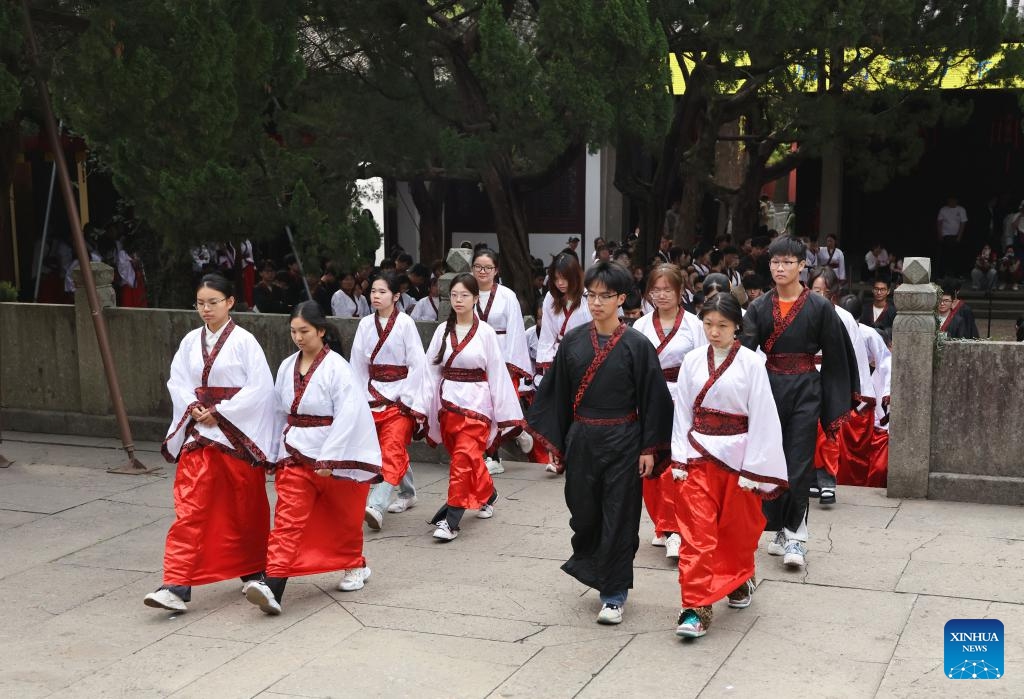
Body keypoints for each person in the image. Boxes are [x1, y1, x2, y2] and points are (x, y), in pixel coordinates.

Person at [526, 262, 674, 626]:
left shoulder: (638, 346)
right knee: (585, 512)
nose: (595, 302)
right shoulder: (574, 341)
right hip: (583, 436)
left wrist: (648, 449)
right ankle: (596, 567)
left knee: (620, 516)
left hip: (624, 438)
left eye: (604, 296)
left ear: (622, 299)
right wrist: (558, 446)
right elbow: (557, 394)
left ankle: (614, 591)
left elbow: (654, 399)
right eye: (590, 295)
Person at [145, 274, 278, 613]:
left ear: (230, 302)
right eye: (200, 303)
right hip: (200, 434)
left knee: (244, 506)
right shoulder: (190, 341)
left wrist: (222, 413)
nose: (205, 309)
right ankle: (176, 583)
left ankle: (253, 569)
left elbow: (261, 388)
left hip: (235, 434)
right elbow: (178, 380)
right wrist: (193, 407)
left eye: (213, 302)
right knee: (190, 506)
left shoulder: (246, 342)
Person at [243, 302, 384, 615]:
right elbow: (278, 411)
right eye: (293, 331)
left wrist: (331, 457)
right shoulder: (286, 366)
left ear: (321, 331)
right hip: (294, 450)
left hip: (333, 454)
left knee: (344, 518)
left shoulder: (338, 369)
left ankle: (355, 564)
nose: (298, 337)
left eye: (304, 331)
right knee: (287, 520)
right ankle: (274, 585)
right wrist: (272, 450)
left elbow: (349, 416)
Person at [670, 293, 788, 639]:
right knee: (696, 536)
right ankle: (694, 607)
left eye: (722, 325)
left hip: (739, 461)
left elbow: (764, 418)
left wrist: (754, 470)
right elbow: (682, 413)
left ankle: (738, 579)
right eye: (707, 324)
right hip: (698, 455)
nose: (714, 331)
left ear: (737, 326)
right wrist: (679, 457)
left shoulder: (752, 363)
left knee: (738, 533)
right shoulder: (691, 360)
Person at [740, 237, 857, 570]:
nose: (780, 268)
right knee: (771, 463)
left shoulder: (819, 307)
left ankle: (796, 535)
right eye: (775, 262)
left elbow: (837, 355)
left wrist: (836, 401)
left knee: (800, 463)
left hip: (806, 388)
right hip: (769, 388)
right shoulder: (759, 306)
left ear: (802, 265)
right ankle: (778, 530)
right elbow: (746, 355)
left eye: (788, 262)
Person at [423, 273, 525, 541]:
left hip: (478, 406)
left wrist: (505, 414)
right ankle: (488, 493)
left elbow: (497, 374)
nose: (458, 300)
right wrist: (423, 406)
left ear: (475, 299)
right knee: (467, 460)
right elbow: (430, 371)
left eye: (464, 295)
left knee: (462, 459)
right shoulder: (441, 331)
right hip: (448, 405)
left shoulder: (486, 333)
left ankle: (451, 521)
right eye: (454, 295)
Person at [632, 264, 705, 559]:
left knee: (677, 465)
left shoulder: (695, 325)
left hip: (682, 399)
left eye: (667, 290)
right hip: (649, 400)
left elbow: (702, 365)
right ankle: (663, 525)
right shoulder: (640, 326)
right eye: (656, 290)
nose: (661, 295)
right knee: (650, 466)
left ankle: (674, 527)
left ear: (680, 292)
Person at [350, 275, 427, 531]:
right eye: (373, 291)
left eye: (382, 292)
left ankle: (377, 505)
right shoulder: (364, 325)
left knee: (392, 447)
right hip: (372, 394)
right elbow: (358, 365)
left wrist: (407, 398)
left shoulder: (405, 324)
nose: (376, 296)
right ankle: (408, 492)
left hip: (400, 396)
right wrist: (360, 397)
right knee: (384, 448)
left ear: (396, 296)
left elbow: (417, 363)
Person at [807, 266, 875, 506]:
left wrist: (862, 393)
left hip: (832, 377)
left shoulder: (844, 318)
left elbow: (856, 356)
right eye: (815, 290)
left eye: (825, 292)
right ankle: (811, 478)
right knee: (807, 430)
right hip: (804, 376)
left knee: (829, 430)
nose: (820, 296)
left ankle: (827, 480)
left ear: (834, 293)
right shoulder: (800, 313)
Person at [471, 249, 533, 475]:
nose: (483, 272)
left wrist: (512, 363)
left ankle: (518, 432)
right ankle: (493, 456)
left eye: (488, 267)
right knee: (483, 409)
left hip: (503, 355)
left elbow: (516, 330)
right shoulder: (468, 293)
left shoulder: (507, 296)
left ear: (496, 270)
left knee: (501, 407)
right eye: (478, 267)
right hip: (477, 356)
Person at [838, 295, 892, 488]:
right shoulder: (831, 330)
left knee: (859, 445)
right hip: (838, 389)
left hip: (864, 390)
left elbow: (885, 362)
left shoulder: (869, 334)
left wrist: (886, 391)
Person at [936, 195, 967, 278]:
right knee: (944, 256)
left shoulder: (961, 209)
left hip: (956, 236)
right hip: (946, 235)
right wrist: (940, 235)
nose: (951, 202)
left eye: (953, 200)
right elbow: (939, 223)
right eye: (950, 200)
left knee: (957, 256)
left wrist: (959, 237)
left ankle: (957, 274)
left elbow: (963, 224)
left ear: (956, 201)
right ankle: (942, 274)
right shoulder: (943, 209)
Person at [862, 277, 896, 345]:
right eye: (876, 289)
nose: (879, 292)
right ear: (872, 290)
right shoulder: (865, 308)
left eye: (882, 289)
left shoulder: (892, 311)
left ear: (888, 291)